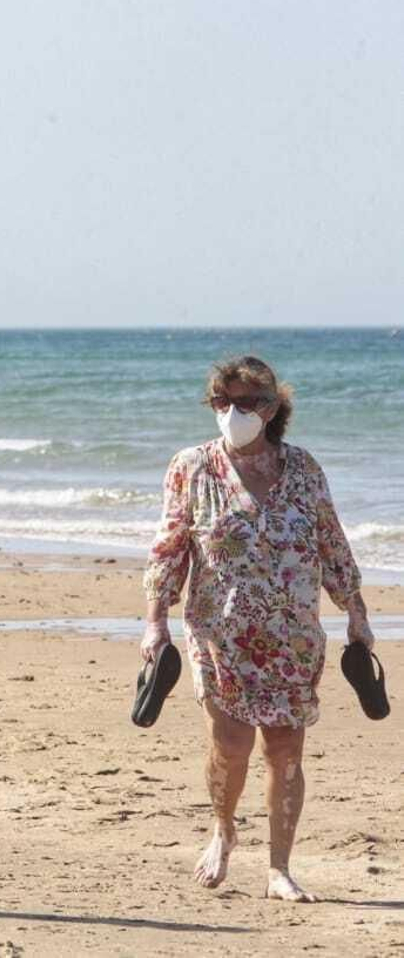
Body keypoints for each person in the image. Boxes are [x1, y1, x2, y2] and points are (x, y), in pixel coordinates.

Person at [142, 355, 372, 903]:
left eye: (245, 403)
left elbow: (332, 545)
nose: (232, 413)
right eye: (222, 403)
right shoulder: (192, 467)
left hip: (292, 636)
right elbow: (169, 548)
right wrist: (155, 622)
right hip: (220, 635)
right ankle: (223, 828)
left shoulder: (305, 470)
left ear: (270, 408)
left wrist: (356, 611)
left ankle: (279, 870)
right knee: (231, 745)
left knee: (286, 751)